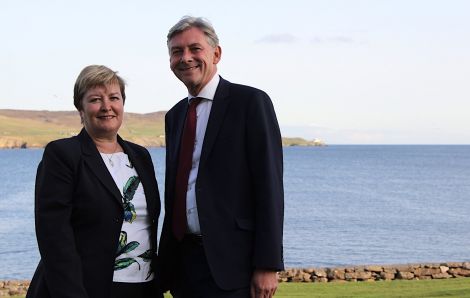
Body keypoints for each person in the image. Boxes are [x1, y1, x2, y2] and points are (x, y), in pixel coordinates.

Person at [158, 16, 284, 297]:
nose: (185, 58)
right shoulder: (175, 116)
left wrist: (267, 264)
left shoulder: (250, 103)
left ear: (216, 53)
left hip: (233, 267)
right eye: (176, 51)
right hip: (183, 266)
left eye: (194, 49)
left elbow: (269, 186)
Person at [27, 65, 161, 298]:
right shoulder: (62, 155)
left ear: (122, 104)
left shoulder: (141, 156)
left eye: (113, 98)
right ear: (81, 109)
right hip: (88, 288)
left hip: (144, 287)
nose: (106, 106)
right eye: (95, 99)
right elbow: (54, 238)